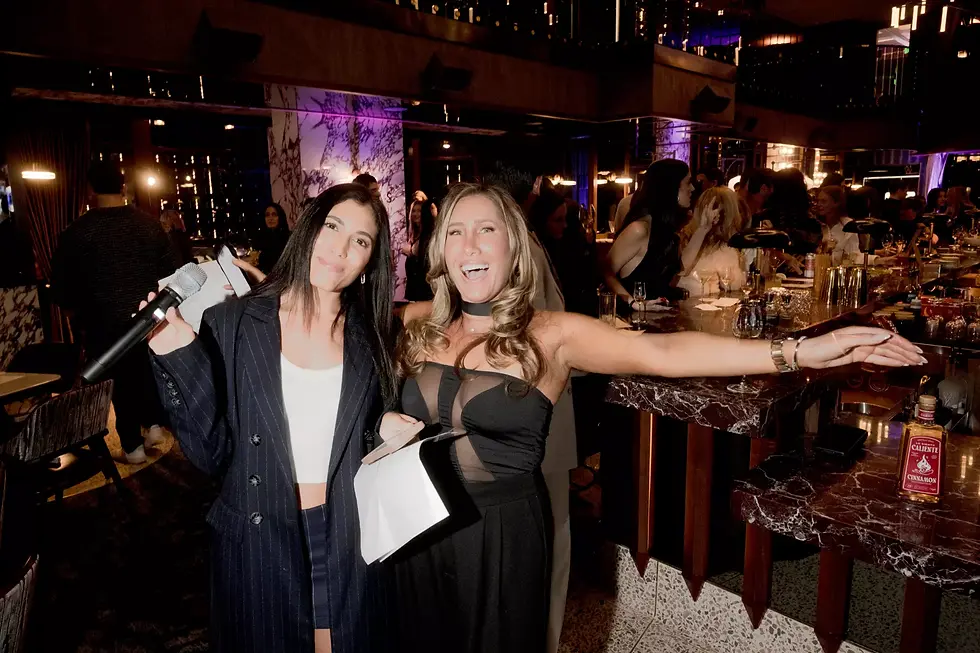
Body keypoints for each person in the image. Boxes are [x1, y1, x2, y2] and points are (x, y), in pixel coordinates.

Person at [377, 182, 924, 653]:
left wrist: (800, 352)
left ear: (513, 245)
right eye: (455, 231)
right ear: (439, 248)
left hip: (500, 537)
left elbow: (663, 353)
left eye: (486, 230)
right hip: (415, 527)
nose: (470, 245)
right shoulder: (414, 324)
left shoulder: (551, 334)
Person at [144, 184, 396, 653]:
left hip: (346, 532)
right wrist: (179, 355)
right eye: (332, 226)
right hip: (261, 536)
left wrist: (383, 426)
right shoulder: (235, 322)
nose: (340, 248)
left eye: (360, 240)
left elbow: (359, 426)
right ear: (309, 228)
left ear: (370, 262)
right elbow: (211, 454)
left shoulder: (371, 338)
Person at [51, 160, 177, 464]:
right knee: (146, 370)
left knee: (119, 383)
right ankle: (154, 426)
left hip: (101, 322)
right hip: (149, 317)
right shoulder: (149, 225)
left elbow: (63, 286)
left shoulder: (77, 232)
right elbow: (169, 274)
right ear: (123, 186)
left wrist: (74, 315)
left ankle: (133, 447)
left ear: (90, 189)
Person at [603, 159, 694, 307]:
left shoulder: (666, 230)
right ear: (671, 187)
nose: (693, 188)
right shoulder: (639, 229)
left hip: (659, 316)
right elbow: (606, 271)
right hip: (631, 318)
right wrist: (633, 303)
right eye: (688, 183)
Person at [530, 190, 597, 315]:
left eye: (565, 219)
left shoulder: (570, 246)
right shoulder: (535, 249)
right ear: (543, 221)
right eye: (558, 220)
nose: (565, 225)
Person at [677, 187, 746, 298]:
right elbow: (734, 285)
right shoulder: (724, 250)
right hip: (699, 306)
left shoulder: (682, 237)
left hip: (680, 304)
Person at [403, 191, 437, 301]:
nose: (416, 214)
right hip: (414, 290)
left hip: (426, 291)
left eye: (420, 211)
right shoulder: (413, 235)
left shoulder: (429, 234)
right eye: (413, 211)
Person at [815, 186, 860, 265]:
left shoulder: (848, 225)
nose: (819, 204)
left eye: (823, 201)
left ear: (836, 203)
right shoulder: (815, 224)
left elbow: (854, 255)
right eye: (818, 201)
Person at [255, 203, 291, 274]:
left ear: (280, 217)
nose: (270, 218)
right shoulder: (261, 238)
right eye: (267, 215)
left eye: (274, 215)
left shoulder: (288, 238)